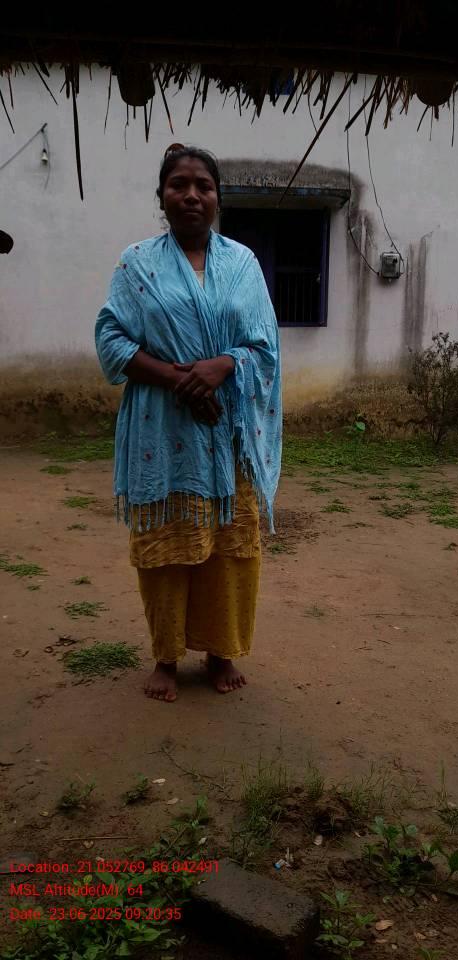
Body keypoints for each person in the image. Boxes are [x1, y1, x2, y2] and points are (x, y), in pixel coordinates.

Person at [95, 144, 281, 701]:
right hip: (163, 429)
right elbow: (110, 338)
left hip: (229, 433)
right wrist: (181, 379)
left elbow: (264, 346)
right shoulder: (136, 263)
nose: (192, 195)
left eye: (204, 185)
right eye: (179, 184)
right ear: (162, 196)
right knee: (168, 550)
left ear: (218, 198)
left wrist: (223, 366)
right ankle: (166, 657)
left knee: (229, 549)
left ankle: (221, 652)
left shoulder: (243, 263)